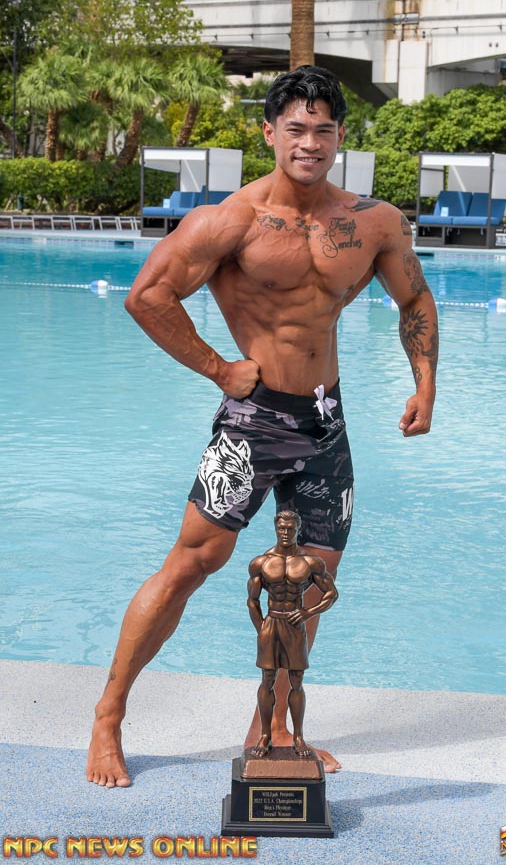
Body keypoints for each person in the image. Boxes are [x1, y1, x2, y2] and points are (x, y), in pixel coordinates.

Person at [86, 64, 438, 788]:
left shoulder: (374, 222)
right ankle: (109, 715)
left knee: (311, 581)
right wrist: (218, 369)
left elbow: (415, 300)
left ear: (340, 136)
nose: (310, 142)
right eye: (296, 129)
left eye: (324, 130)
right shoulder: (230, 221)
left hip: (326, 422)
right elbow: (147, 296)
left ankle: (273, 728)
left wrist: (426, 384)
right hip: (253, 422)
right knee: (191, 565)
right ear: (270, 132)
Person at [247, 510, 338, 759]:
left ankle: (298, 736)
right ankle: (265, 735)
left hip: (295, 624)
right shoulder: (261, 562)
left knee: (296, 680)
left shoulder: (310, 562)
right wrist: (261, 628)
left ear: (298, 529)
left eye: (290, 529)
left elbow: (331, 594)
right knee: (267, 679)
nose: (285, 533)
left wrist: (308, 612)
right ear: (276, 529)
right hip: (272, 622)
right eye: (281, 528)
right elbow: (252, 600)